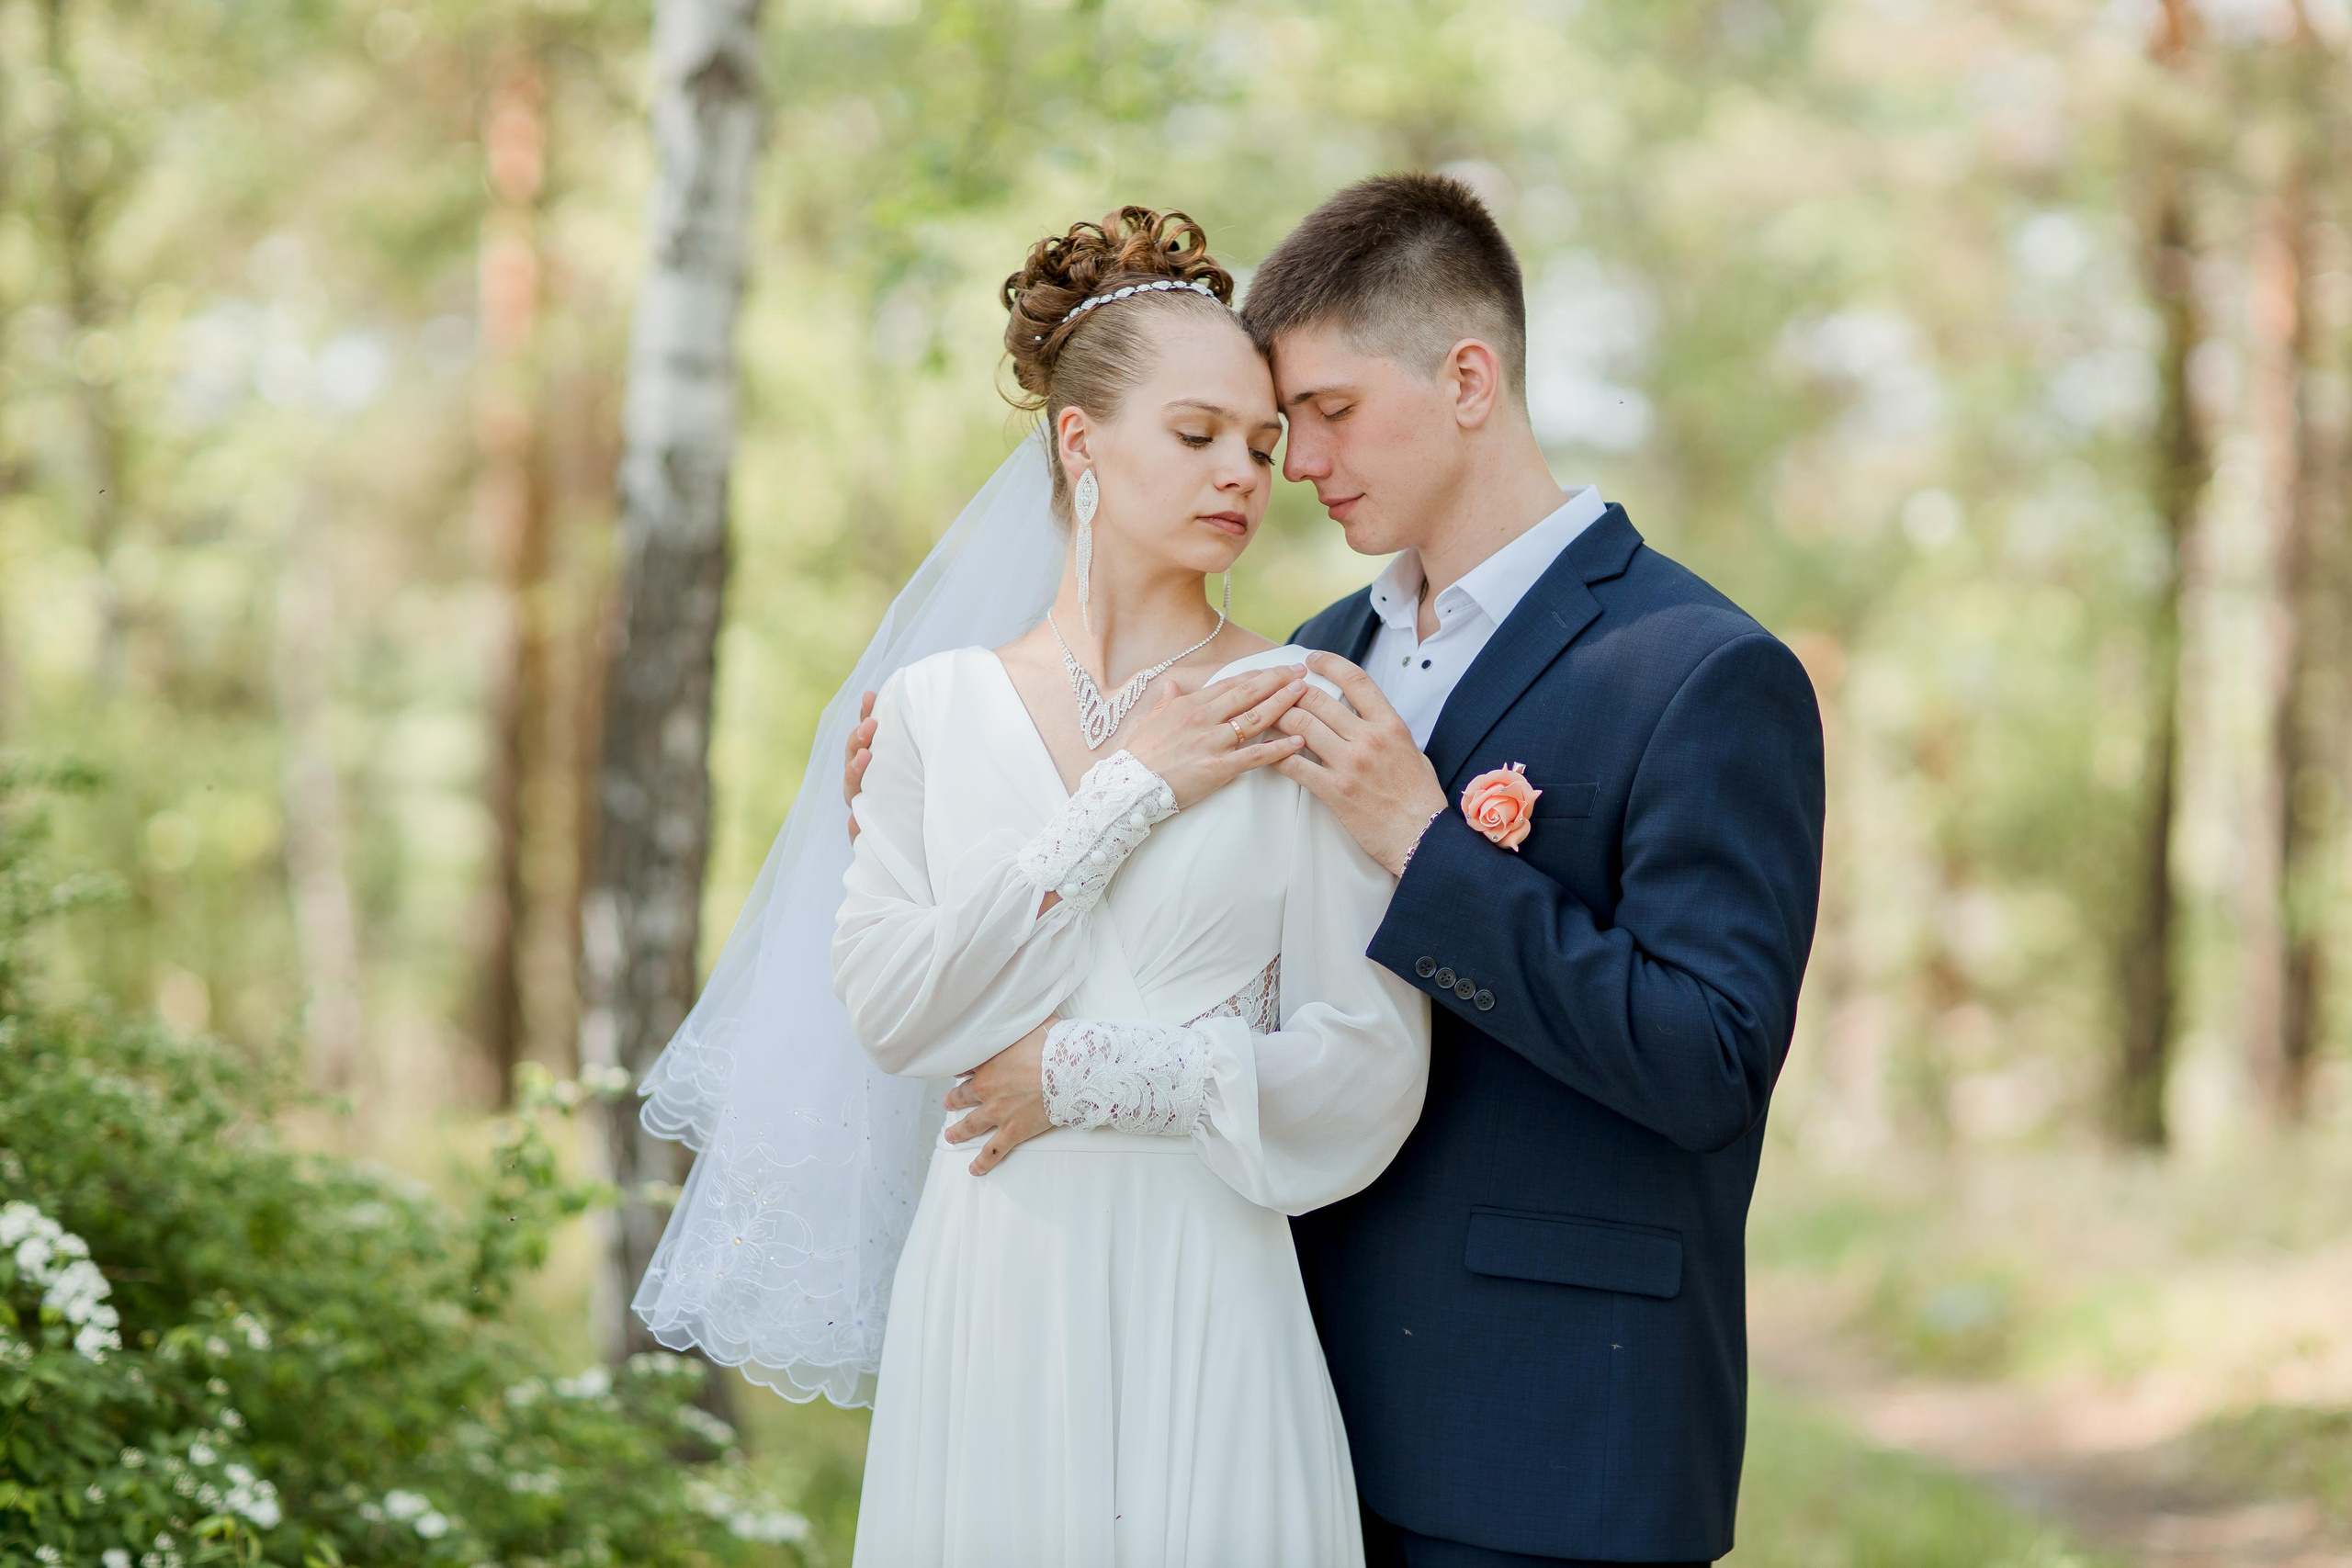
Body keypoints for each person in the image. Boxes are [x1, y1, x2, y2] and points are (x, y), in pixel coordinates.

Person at [846, 175, 1826, 1567]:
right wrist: (942, 776)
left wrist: (1428, 848)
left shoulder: (1700, 672)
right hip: (1275, 1381)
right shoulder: (1306, 659)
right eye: (1265, 424)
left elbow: (1712, 1061)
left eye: (1325, 412)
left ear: (1470, 378)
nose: (1291, 465)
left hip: (1547, 1433)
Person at [634, 206, 1430, 1568]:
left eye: (1261, 442)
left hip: (1209, 1296)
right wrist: (1132, 793)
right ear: (1082, 446)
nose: (1244, 471)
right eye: (1196, 436)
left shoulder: (1301, 709)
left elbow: (1368, 1068)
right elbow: (895, 1014)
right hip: (993, 1289)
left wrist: (1083, 1073)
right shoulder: (930, 713)